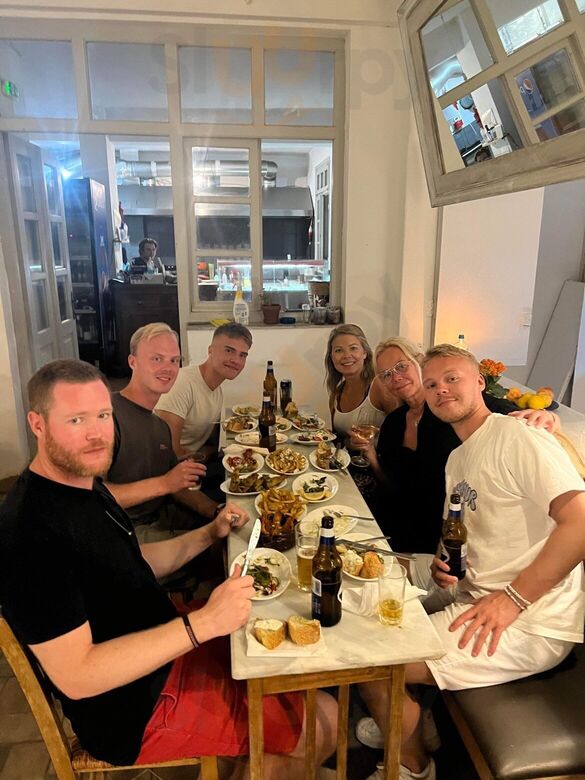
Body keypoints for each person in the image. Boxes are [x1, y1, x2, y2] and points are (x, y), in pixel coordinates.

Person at [0, 359, 337, 775]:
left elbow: (130, 564)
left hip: (160, 638)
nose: (97, 433)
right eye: (76, 419)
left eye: (103, 415)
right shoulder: (29, 533)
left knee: (291, 659)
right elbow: (77, 675)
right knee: (321, 721)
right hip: (133, 707)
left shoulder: (81, 484)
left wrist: (209, 534)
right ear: (37, 424)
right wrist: (202, 625)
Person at [359, 344, 585, 780]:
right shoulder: (459, 457)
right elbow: (465, 527)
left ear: (480, 381)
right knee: (369, 597)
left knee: (370, 662)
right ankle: (414, 723)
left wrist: (513, 599)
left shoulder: (519, 437)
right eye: (432, 384)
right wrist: (444, 561)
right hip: (472, 590)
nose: (441, 389)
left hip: (531, 619)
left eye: (452, 378)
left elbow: (579, 524)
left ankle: (413, 767)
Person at [351, 336, 560, 554]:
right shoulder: (394, 422)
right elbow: (391, 484)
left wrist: (549, 418)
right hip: (397, 526)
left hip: (443, 534)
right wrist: (371, 455)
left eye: (401, 366)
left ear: (419, 362)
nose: (395, 377)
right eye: (386, 374)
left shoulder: (449, 409)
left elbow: (495, 409)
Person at [105, 322, 230, 541]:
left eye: (174, 360)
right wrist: (164, 483)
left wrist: (217, 511)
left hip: (163, 514)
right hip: (124, 531)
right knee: (218, 544)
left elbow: (177, 486)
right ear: (132, 362)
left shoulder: (160, 426)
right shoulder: (108, 416)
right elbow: (91, 496)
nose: (168, 368)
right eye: (157, 359)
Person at [155, 322, 252, 459]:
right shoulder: (182, 383)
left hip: (194, 460)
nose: (236, 360)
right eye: (229, 351)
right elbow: (166, 449)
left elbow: (210, 443)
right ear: (210, 350)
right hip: (169, 466)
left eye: (242, 355)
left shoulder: (217, 391)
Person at [324, 324, 396, 439]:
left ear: (364, 353)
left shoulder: (379, 386)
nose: (347, 356)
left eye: (353, 348)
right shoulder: (336, 394)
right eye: (339, 350)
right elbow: (337, 439)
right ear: (332, 357)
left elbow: (400, 432)